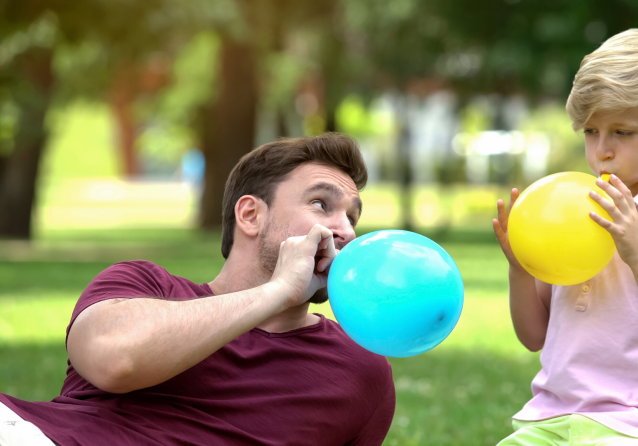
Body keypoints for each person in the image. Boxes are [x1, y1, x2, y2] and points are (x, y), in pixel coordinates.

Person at [0, 133, 396, 446]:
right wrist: (277, 292)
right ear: (251, 215)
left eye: (352, 216)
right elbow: (114, 359)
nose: (346, 230)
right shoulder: (143, 285)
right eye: (320, 204)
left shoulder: (362, 370)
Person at [493, 29, 638, 446]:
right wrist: (520, 270)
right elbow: (534, 336)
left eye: (622, 133)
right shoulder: (568, 207)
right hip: (551, 420)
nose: (602, 150)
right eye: (590, 131)